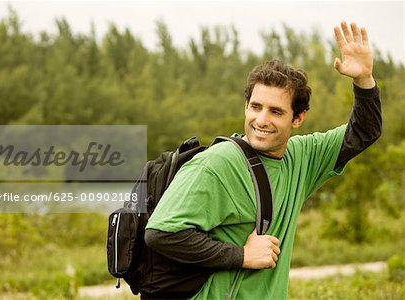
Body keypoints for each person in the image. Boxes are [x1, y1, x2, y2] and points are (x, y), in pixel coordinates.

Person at [144, 21, 381, 299]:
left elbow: (363, 132)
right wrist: (241, 255)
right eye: (255, 107)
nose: (261, 120)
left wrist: (364, 80)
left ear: (298, 118)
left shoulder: (302, 157)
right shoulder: (217, 164)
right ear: (246, 106)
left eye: (276, 111)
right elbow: (161, 233)